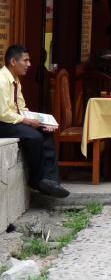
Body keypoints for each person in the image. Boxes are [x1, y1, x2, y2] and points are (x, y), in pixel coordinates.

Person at [0, 45, 68, 198]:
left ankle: (51, 181)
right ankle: (36, 181)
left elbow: (21, 108)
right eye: (26, 60)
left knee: (45, 132)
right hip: (3, 123)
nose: (29, 65)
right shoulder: (2, 81)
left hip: (12, 121)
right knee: (34, 137)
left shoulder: (16, 80)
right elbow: (3, 114)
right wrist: (28, 121)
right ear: (13, 61)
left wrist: (43, 122)